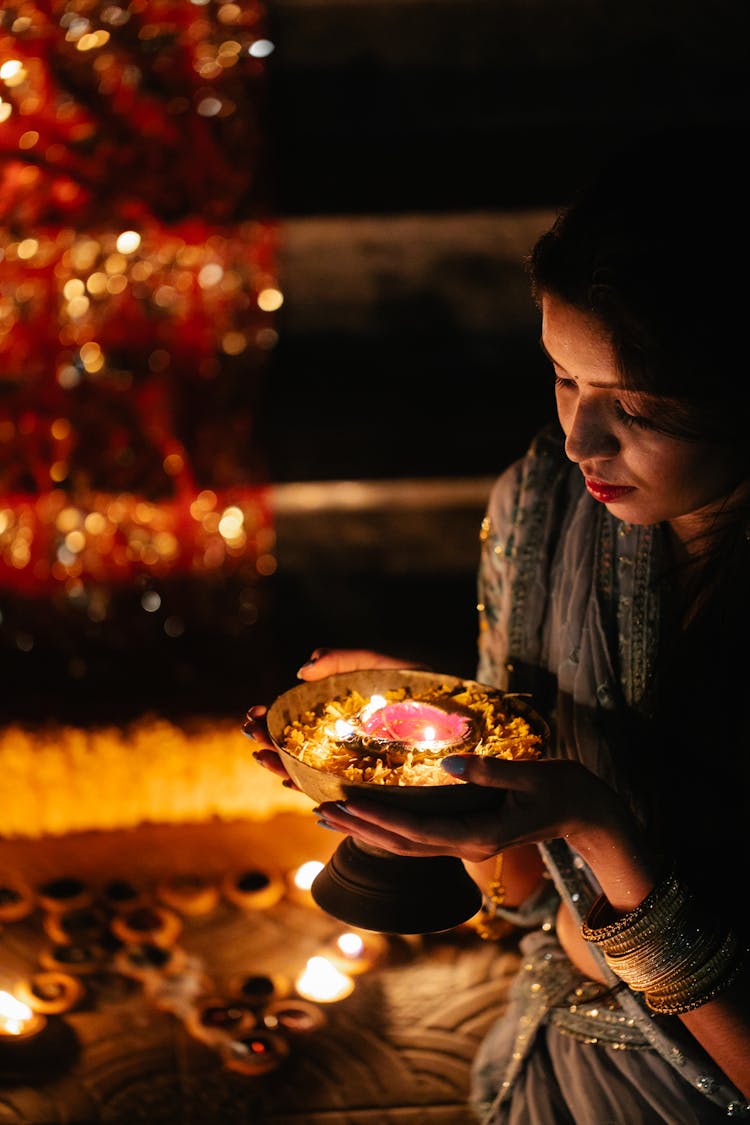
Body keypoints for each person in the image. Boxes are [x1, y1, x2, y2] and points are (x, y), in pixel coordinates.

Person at [244, 124, 750, 1123]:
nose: (579, 437)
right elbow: (521, 896)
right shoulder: (544, 508)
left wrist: (595, 826)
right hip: (551, 1052)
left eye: (637, 405)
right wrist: (446, 745)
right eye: (564, 376)